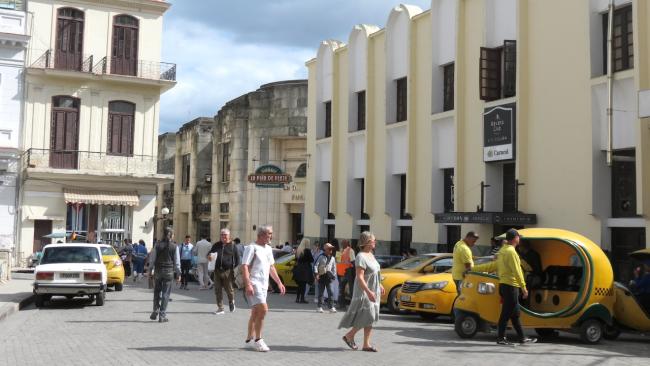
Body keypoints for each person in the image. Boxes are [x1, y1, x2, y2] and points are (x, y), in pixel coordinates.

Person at [339, 231, 385, 352]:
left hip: (374, 290)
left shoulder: (371, 254)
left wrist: (379, 284)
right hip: (364, 291)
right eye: (373, 240)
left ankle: (366, 344)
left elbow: (374, 272)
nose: (375, 242)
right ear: (368, 242)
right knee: (368, 315)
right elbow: (360, 277)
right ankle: (349, 336)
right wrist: (369, 292)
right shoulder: (361, 256)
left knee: (371, 316)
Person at [242, 225, 285, 352]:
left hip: (264, 285)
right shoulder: (251, 248)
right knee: (263, 310)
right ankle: (258, 340)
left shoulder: (268, 249)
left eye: (271, 233)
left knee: (256, 312)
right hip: (254, 283)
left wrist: (279, 283)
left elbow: (271, 267)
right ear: (260, 235)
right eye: (269, 234)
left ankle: (249, 338)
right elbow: (244, 266)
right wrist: (248, 283)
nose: (271, 236)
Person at [495, 229, 537, 345]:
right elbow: (517, 271)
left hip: (504, 284)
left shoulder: (503, 250)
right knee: (506, 313)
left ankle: (522, 337)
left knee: (515, 314)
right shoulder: (511, 252)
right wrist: (523, 288)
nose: (520, 239)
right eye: (519, 237)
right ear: (515, 238)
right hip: (511, 285)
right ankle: (500, 338)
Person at [148, 227, 181, 322]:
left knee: (156, 291)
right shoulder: (175, 247)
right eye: (173, 234)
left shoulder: (157, 245)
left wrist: (150, 270)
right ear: (171, 235)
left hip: (158, 271)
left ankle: (155, 309)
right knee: (166, 294)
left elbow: (152, 259)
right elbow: (177, 262)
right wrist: (178, 274)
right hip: (169, 272)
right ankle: (162, 315)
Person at [209, 229, 240, 314]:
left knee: (229, 289)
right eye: (222, 234)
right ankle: (220, 308)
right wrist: (209, 257)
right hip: (217, 270)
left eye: (225, 235)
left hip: (228, 271)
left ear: (229, 235)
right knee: (217, 290)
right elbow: (209, 254)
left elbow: (238, 259)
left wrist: (232, 267)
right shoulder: (216, 245)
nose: (223, 236)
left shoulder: (233, 246)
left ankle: (231, 301)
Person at [314, 243, 337, 313]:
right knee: (321, 292)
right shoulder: (321, 256)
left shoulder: (332, 258)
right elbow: (315, 265)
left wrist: (333, 275)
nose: (331, 250)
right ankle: (319, 307)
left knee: (331, 292)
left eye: (332, 249)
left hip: (328, 277)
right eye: (329, 249)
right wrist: (316, 274)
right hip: (321, 276)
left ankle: (331, 307)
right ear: (326, 249)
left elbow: (334, 267)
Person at [336, 239, 356, 310]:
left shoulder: (350, 250)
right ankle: (341, 304)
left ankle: (352, 306)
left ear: (347, 244)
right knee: (341, 289)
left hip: (348, 272)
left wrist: (354, 274)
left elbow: (353, 262)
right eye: (341, 243)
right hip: (342, 272)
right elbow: (338, 261)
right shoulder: (340, 250)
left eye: (343, 243)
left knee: (351, 289)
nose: (342, 244)